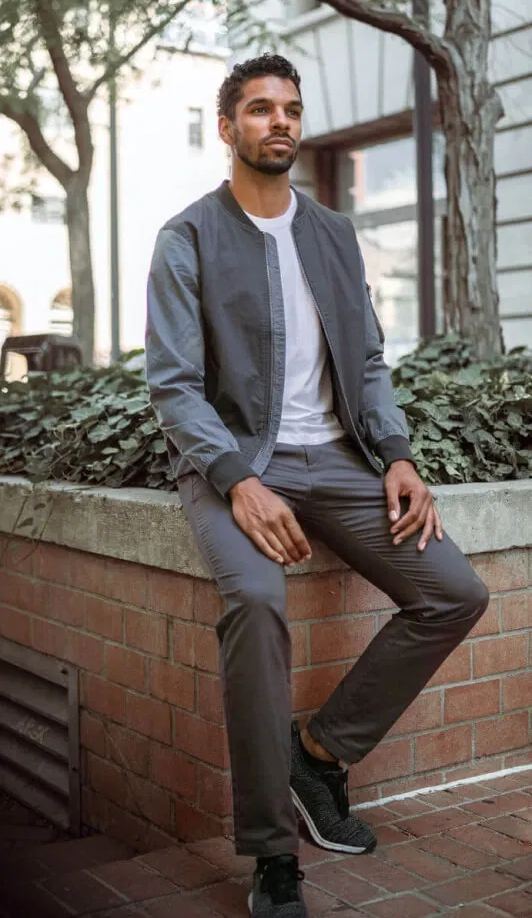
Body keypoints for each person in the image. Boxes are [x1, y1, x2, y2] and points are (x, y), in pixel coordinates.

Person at [146, 54, 489, 918]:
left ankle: (321, 754)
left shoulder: (334, 234)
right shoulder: (187, 237)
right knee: (257, 600)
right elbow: (174, 383)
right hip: (238, 461)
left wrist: (398, 454)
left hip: (338, 461)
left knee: (453, 591)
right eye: (259, 110)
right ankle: (272, 854)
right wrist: (235, 478)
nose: (279, 123)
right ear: (227, 128)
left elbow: (368, 359)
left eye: (291, 109)